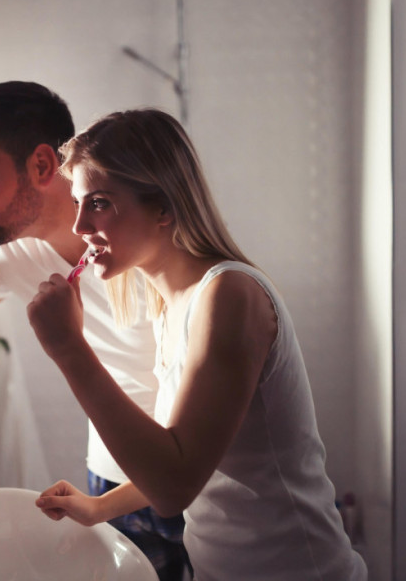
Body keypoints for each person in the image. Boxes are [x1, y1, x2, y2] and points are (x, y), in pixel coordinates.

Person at [27, 109, 368, 580]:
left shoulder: (229, 294)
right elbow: (191, 454)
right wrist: (98, 506)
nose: (79, 226)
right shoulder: (172, 305)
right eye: (78, 203)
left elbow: (174, 487)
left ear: (164, 208)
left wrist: (69, 349)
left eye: (99, 202)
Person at [0, 82, 191, 580]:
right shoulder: (15, 249)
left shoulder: (143, 243)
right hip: (107, 476)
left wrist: (66, 345)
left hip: (184, 470)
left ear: (41, 165)